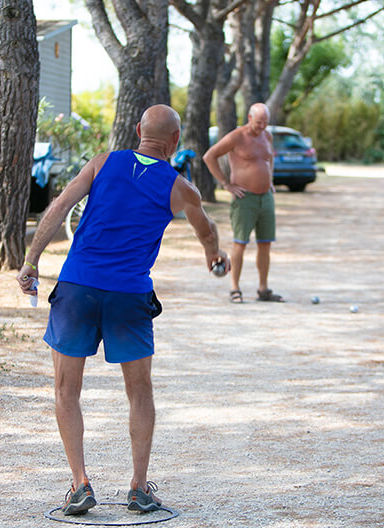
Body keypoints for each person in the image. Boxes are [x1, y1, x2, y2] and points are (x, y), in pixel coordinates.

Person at [16, 105, 229, 516]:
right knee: (140, 392)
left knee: (65, 390)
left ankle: (80, 484)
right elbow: (207, 230)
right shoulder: (181, 188)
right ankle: (138, 488)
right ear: (176, 141)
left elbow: (58, 206)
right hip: (129, 295)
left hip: (77, 286)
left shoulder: (102, 163)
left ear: (137, 131)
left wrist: (31, 261)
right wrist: (215, 255)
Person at [203, 102, 283, 303]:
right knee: (240, 243)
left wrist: (270, 179)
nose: (262, 126)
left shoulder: (267, 136)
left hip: (266, 198)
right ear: (249, 118)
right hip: (244, 199)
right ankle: (234, 288)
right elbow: (209, 156)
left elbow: (268, 158)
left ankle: (263, 289)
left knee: (265, 244)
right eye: (258, 122)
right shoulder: (236, 136)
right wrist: (226, 184)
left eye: (265, 122)